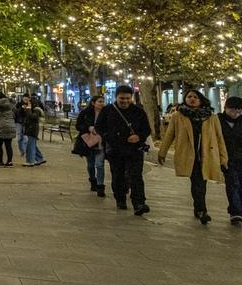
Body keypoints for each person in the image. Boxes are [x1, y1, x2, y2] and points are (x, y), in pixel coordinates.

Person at [157, 89, 228, 225]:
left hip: (206, 154)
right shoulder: (178, 116)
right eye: (189, 97)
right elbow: (169, 135)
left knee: (202, 182)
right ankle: (202, 209)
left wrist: (223, 157)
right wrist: (162, 152)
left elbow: (219, 138)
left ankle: (200, 208)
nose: (192, 99)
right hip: (189, 155)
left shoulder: (211, 117)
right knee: (196, 181)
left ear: (201, 100)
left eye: (195, 97)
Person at [98, 85, 153, 215]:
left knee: (136, 176)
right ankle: (120, 198)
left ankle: (139, 202)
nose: (125, 101)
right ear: (116, 97)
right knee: (118, 175)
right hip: (116, 150)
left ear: (131, 98)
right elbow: (100, 127)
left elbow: (146, 129)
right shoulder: (108, 110)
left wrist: (138, 136)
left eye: (128, 98)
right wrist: (111, 138)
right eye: (122, 98)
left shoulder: (138, 111)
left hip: (134, 149)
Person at [74, 95, 107, 196]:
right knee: (91, 164)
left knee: (99, 164)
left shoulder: (107, 113)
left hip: (101, 142)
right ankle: (93, 181)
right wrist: (88, 128)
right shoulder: (86, 112)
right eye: (99, 101)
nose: (102, 103)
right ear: (93, 103)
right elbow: (78, 125)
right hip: (88, 142)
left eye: (103, 101)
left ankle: (100, 186)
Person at [219, 96, 242, 225]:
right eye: (233, 110)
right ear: (225, 108)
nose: (236, 114)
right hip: (226, 158)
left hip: (240, 157)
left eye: (239, 111)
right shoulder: (218, 121)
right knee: (233, 183)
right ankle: (235, 211)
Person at [20, 96, 44, 166]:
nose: (28, 104)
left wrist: (28, 109)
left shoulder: (37, 110)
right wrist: (24, 109)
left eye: (29, 103)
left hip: (32, 129)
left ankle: (30, 161)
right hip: (30, 129)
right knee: (32, 145)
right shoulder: (32, 109)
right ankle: (40, 158)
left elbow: (32, 117)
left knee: (30, 146)